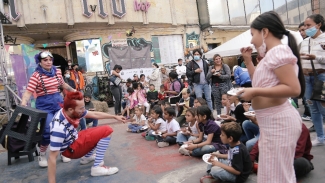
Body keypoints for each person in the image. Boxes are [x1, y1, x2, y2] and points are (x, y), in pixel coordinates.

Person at [239, 11, 305, 183]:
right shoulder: (270, 55)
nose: (252, 40)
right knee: (274, 175)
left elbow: (293, 88)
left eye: (253, 34)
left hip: (279, 123)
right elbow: (259, 83)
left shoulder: (277, 52)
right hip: (271, 124)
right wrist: (248, 62)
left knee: (277, 177)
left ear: (265, 32)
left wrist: (255, 93)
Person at [48, 91, 126, 182]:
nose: (84, 110)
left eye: (84, 107)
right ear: (70, 110)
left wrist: (114, 117)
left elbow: (94, 114)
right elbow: (52, 158)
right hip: (72, 150)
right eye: (81, 108)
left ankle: (87, 157)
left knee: (93, 131)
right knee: (107, 130)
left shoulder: (68, 111)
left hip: (75, 138)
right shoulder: (58, 128)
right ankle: (97, 167)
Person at [21, 51, 77, 167]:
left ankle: (63, 151)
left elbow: (63, 85)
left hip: (58, 103)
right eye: (45, 60)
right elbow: (28, 92)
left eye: (50, 60)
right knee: (47, 130)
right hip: (44, 105)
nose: (48, 62)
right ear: (40, 62)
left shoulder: (57, 71)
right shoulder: (36, 75)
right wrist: (23, 103)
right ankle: (42, 154)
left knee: (63, 128)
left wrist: (74, 91)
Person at [300, 14, 325, 145]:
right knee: (313, 108)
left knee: (323, 108)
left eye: (308, 25)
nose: (305, 28)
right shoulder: (304, 42)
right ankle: (321, 138)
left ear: (319, 24)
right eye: (305, 25)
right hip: (307, 78)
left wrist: (315, 57)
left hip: (321, 77)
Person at [297, 22, 312, 124]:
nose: (302, 32)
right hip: (305, 76)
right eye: (300, 31)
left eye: (304, 29)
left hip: (317, 75)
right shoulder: (301, 44)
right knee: (309, 102)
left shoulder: (317, 41)